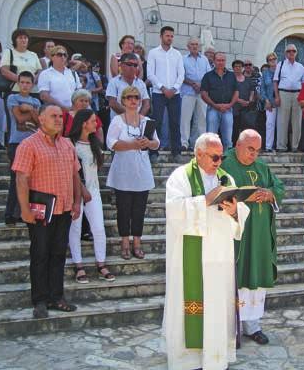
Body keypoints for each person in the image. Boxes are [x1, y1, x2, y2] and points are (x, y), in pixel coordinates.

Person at [162, 132, 250, 370]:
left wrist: (234, 211)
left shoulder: (226, 178)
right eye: (214, 157)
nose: (219, 162)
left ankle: (216, 358)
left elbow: (241, 211)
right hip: (192, 255)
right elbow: (174, 211)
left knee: (218, 306)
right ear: (198, 154)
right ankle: (188, 361)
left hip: (220, 256)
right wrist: (205, 200)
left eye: (221, 157)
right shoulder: (180, 177)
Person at [12, 104, 82, 319]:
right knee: (40, 255)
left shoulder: (67, 144)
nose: (59, 119)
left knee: (59, 254)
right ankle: (40, 301)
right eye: (53, 116)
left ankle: (57, 297)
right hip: (40, 212)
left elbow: (75, 176)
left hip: (64, 209)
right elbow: (21, 179)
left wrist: (77, 202)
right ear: (41, 119)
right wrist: (24, 210)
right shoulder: (28, 144)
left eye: (60, 116)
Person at [221, 129, 284, 345]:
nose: (254, 155)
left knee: (256, 278)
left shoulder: (262, 167)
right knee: (237, 278)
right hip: (236, 235)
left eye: (257, 150)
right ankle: (233, 328)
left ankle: (253, 326)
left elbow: (279, 186)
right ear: (238, 145)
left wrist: (271, 194)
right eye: (250, 149)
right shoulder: (224, 165)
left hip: (259, 235)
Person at [106, 86, 160, 260]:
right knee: (123, 209)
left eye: (136, 97)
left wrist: (148, 143)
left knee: (139, 209)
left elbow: (157, 143)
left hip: (141, 171)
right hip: (123, 171)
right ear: (123, 100)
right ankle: (124, 243)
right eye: (129, 97)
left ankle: (137, 242)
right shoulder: (117, 121)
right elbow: (111, 143)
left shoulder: (146, 121)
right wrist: (132, 145)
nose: (133, 100)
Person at [68, 109, 114, 283]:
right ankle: (79, 266)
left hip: (93, 190)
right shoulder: (70, 143)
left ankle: (101, 263)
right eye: (93, 121)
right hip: (75, 191)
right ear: (83, 123)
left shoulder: (95, 143)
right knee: (75, 228)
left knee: (99, 228)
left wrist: (88, 190)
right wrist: (82, 190)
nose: (96, 124)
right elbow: (71, 171)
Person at [4, 71, 41, 225]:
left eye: (28, 82)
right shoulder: (13, 98)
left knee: (31, 181)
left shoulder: (35, 102)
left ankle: (23, 213)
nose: (25, 85)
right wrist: (31, 113)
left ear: (32, 85)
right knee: (16, 180)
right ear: (18, 83)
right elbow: (18, 118)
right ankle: (10, 215)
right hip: (16, 143)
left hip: (33, 144)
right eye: (23, 82)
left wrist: (29, 109)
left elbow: (39, 121)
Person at [147, 25, 185, 163]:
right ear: (161, 36)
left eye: (171, 36)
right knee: (156, 122)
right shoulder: (153, 53)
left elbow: (181, 74)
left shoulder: (177, 54)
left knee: (175, 123)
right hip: (159, 93)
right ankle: (153, 152)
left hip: (175, 94)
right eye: (167, 35)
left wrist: (174, 89)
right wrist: (163, 88)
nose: (170, 38)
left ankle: (176, 152)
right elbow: (150, 74)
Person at [273, 44, 304, 152]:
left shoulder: (300, 66)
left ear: (296, 53)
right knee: (282, 121)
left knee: (297, 122)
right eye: (289, 51)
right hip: (283, 93)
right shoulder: (280, 64)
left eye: (293, 51)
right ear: (285, 53)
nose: (291, 53)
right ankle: (281, 146)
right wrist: (277, 96)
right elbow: (275, 81)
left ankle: (295, 146)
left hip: (298, 95)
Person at [201, 52, 239, 149]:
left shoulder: (231, 76)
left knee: (228, 139)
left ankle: (227, 161)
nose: (220, 62)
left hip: (228, 110)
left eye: (223, 60)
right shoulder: (207, 76)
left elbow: (236, 92)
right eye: (218, 60)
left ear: (225, 61)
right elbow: (203, 94)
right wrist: (214, 105)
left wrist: (230, 105)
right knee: (211, 138)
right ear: (214, 61)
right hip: (212, 109)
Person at [180, 37, 211, 151]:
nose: (194, 46)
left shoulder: (204, 60)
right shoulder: (183, 59)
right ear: (188, 46)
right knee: (185, 118)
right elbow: (180, 75)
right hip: (188, 91)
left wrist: (201, 86)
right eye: (192, 44)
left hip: (201, 93)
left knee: (201, 119)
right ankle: (184, 143)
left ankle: (198, 143)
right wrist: (193, 84)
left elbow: (208, 76)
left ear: (199, 47)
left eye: (196, 44)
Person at [0, 29, 43, 98]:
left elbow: (40, 71)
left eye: (25, 38)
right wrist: (23, 82)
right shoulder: (8, 52)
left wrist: (31, 82)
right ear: (15, 40)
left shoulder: (33, 55)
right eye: (20, 38)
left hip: (32, 92)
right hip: (14, 91)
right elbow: (4, 71)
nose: (23, 40)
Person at [106, 52, 150, 120]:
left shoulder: (141, 83)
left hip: (138, 122)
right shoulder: (113, 82)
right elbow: (112, 103)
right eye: (129, 64)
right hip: (119, 123)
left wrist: (139, 118)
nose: (132, 67)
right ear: (121, 65)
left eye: (135, 65)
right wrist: (131, 116)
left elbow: (146, 103)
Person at [38, 46, 81, 111]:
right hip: (54, 112)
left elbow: (79, 92)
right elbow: (44, 96)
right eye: (59, 55)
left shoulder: (73, 73)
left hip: (73, 111)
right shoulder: (45, 74)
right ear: (52, 57)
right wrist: (63, 108)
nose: (63, 57)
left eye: (65, 55)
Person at [232, 60, 255, 144]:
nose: (238, 68)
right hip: (234, 108)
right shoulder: (230, 79)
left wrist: (249, 100)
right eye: (236, 66)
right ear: (233, 68)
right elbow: (229, 92)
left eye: (239, 66)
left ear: (242, 68)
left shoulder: (248, 80)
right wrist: (238, 100)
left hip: (246, 108)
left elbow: (252, 91)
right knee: (234, 128)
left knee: (245, 129)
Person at [260, 52, 278, 152]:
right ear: (268, 62)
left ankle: (280, 146)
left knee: (281, 125)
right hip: (270, 103)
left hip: (281, 102)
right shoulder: (265, 73)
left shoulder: (281, 71)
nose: (273, 61)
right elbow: (262, 89)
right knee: (270, 124)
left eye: (274, 59)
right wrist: (266, 101)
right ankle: (268, 147)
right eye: (270, 60)